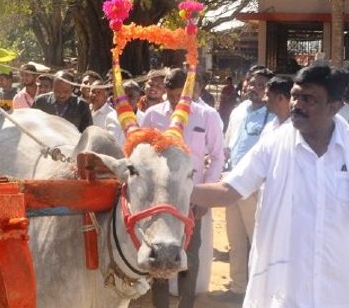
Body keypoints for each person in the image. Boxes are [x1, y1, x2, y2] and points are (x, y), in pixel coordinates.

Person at [191, 63, 349, 307]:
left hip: (337, 288)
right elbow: (228, 190)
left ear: (335, 106)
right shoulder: (274, 143)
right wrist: (176, 191)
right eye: (295, 96)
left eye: (309, 99)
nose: (298, 105)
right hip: (284, 288)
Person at [141, 68, 225, 308]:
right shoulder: (152, 115)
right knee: (159, 252)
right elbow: (142, 154)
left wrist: (205, 197)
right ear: (165, 91)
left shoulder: (207, 115)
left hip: (191, 199)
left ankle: (186, 304)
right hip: (159, 200)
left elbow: (218, 156)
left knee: (189, 254)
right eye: (171, 96)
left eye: (181, 95)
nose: (176, 101)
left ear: (190, 91)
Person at [220, 67, 274, 302]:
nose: (255, 88)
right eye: (252, 83)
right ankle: (237, 288)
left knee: (257, 241)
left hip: (255, 188)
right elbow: (228, 144)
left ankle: (259, 291)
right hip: (231, 183)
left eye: (261, 85)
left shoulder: (274, 117)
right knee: (235, 239)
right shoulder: (238, 111)